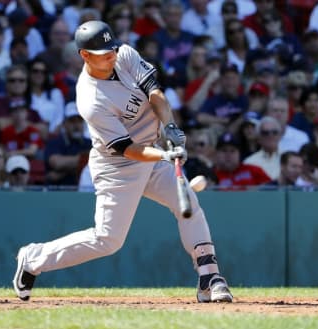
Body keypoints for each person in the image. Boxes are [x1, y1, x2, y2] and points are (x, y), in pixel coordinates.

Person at [12, 20, 233, 303]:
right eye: (103, 53)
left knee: (187, 204)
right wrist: (166, 154)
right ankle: (33, 258)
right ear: (85, 56)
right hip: (118, 167)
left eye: (112, 49)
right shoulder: (90, 99)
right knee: (108, 240)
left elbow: (155, 93)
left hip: (152, 151)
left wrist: (171, 127)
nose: (111, 55)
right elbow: (128, 150)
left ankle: (209, 277)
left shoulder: (124, 54)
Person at [43, 102, 92, 186]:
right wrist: (85, 159)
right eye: (72, 121)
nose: (76, 125)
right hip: (58, 192)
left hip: (85, 191)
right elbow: (57, 163)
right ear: (64, 124)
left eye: (79, 121)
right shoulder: (55, 142)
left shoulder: (90, 143)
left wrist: (64, 171)